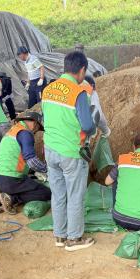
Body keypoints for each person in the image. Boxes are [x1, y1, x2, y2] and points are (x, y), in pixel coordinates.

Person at [42, 51, 96, 251]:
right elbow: (88, 125)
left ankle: (60, 235)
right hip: (71, 152)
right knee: (75, 195)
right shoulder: (77, 92)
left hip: (50, 150)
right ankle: (74, 239)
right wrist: (92, 129)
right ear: (82, 70)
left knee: (58, 194)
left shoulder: (48, 89)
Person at [0, 111, 51, 213]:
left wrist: (33, 172)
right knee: (46, 193)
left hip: (0, 178)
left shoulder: (13, 130)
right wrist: (48, 170)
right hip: (12, 179)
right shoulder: (25, 134)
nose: (35, 132)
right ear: (35, 123)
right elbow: (31, 161)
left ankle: (5, 192)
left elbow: (16, 158)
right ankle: (12, 198)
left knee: (31, 183)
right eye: (38, 129)